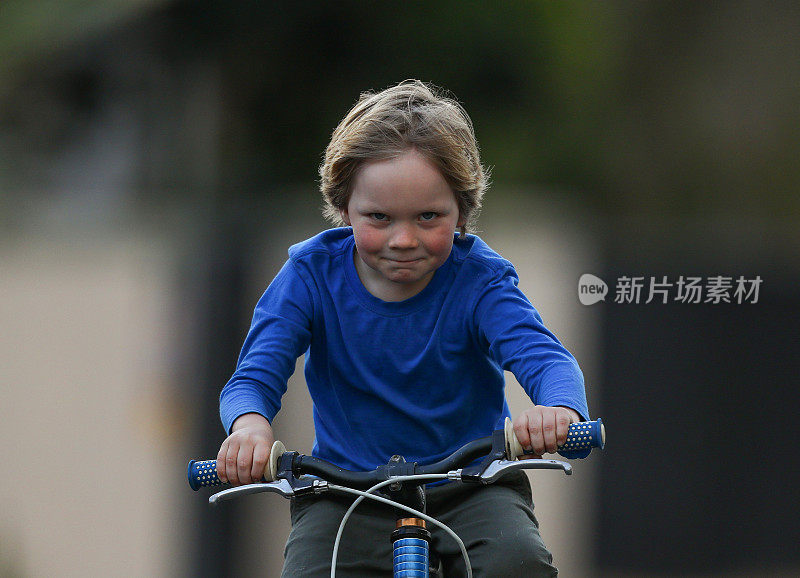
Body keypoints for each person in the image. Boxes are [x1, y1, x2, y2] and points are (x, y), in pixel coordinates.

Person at [216, 79, 589, 577]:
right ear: (345, 207)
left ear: (462, 211)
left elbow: (546, 360)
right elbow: (252, 378)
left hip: (474, 485)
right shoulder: (309, 276)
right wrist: (250, 428)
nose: (404, 238)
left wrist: (558, 410)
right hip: (346, 489)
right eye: (379, 217)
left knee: (516, 562)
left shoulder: (480, 281)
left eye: (429, 216)